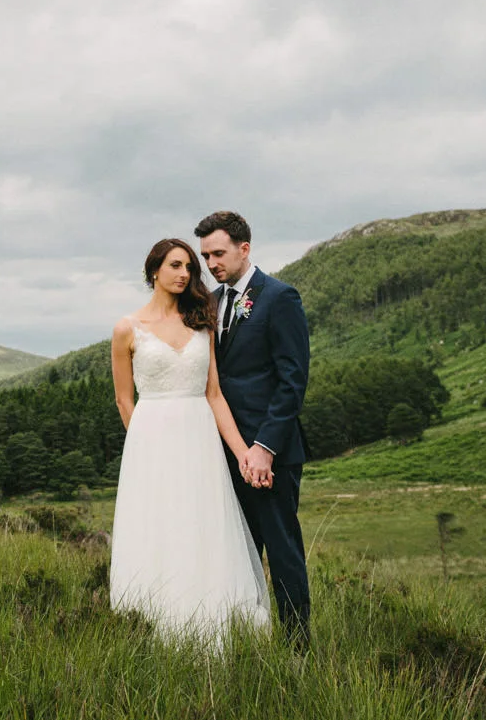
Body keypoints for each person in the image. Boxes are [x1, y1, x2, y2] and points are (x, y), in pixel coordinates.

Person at [109, 238, 270, 643]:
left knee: (203, 526)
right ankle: (157, 624)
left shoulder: (202, 320)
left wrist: (243, 455)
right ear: (154, 272)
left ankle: (210, 622)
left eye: (189, 267)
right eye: (176, 265)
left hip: (200, 443)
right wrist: (146, 449)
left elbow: (214, 395)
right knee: (159, 527)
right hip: (153, 446)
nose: (185, 274)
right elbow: (124, 399)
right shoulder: (127, 329)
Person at [196, 210, 312, 651]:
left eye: (218, 253)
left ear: (245, 248)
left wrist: (263, 447)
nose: (211, 263)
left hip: (270, 454)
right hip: (222, 452)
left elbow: (292, 380)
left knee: (282, 553)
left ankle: (297, 649)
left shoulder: (279, 298)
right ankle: (242, 641)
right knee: (234, 554)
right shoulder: (210, 301)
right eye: (205, 255)